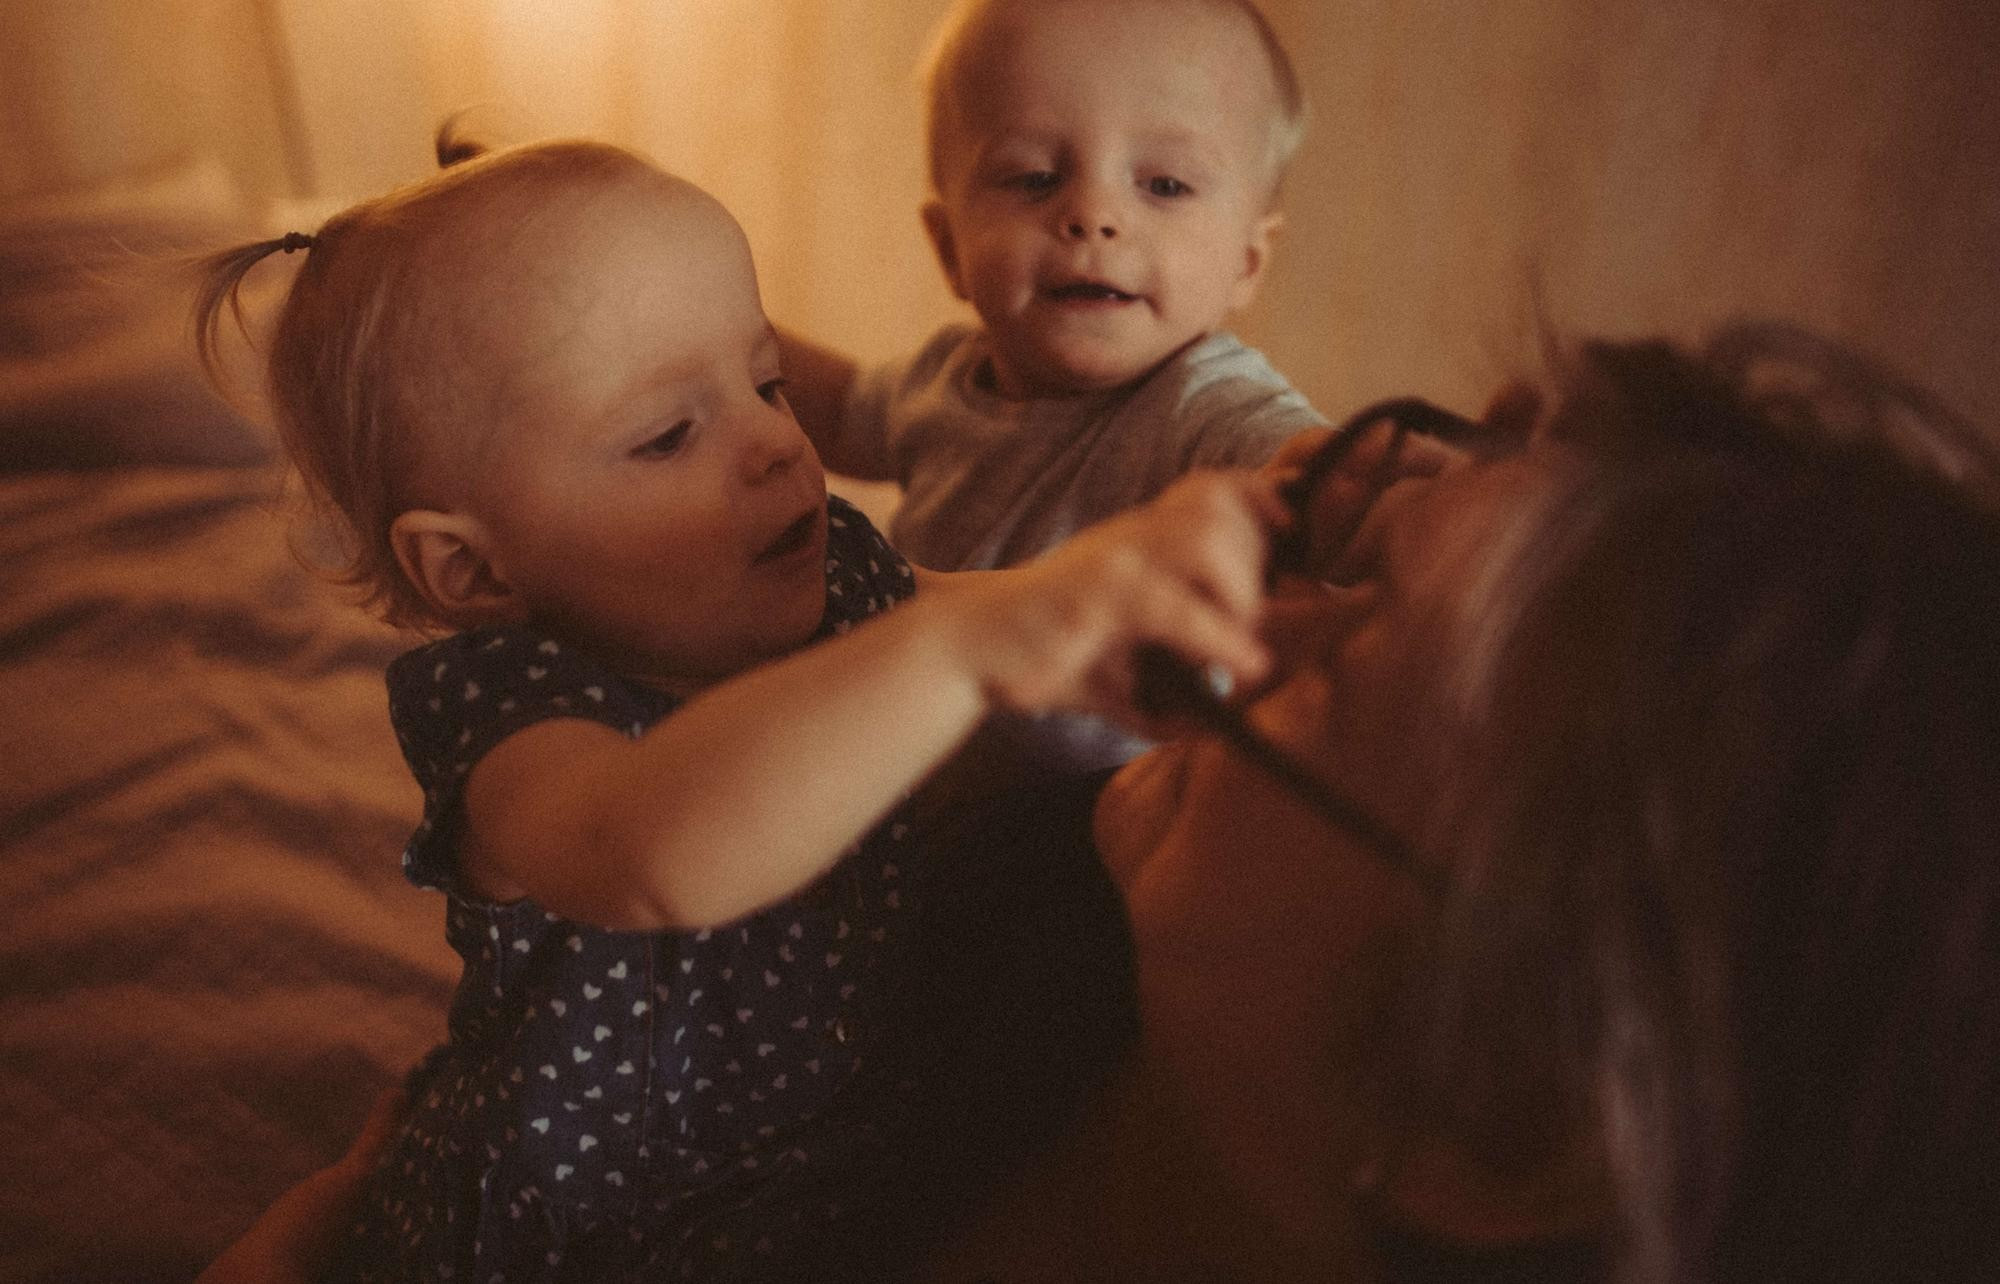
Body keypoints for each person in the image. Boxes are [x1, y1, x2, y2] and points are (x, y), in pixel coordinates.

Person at [191, 132, 1278, 1283]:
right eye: (666, 436)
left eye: (763, 383)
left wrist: (1128, 596)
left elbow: (978, 609)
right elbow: (656, 852)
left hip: (836, 1151)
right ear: (472, 572)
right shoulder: (512, 717)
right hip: (593, 1229)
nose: (772, 442)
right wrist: (964, 650)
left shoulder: (832, 585)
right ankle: (306, 1236)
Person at [962, 324, 2000, 1282]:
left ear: (1494, 1116)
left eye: (1338, 674)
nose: (1238, 624)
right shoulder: (1014, 901)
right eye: (1340, 568)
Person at [780, 0, 1327, 777]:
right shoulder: (944, 379)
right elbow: (836, 411)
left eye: (1165, 184)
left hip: (1098, 805)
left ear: (1247, 261)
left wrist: (1390, 481)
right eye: (1034, 177)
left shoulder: (1203, 401)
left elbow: (1310, 464)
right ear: (950, 247)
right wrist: (713, 324)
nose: (1093, 213)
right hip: (907, 766)